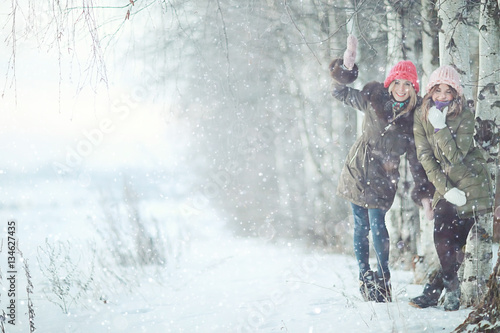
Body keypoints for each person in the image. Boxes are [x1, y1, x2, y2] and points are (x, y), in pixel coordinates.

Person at [329, 46, 434, 303]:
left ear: (413, 88)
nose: (401, 88)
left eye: (407, 84)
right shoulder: (372, 99)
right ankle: (364, 277)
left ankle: (383, 277)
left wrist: (424, 194)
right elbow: (339, 92)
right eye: (397, 82)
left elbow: (416, 160)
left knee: (377, 225)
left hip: (385, 177)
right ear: (390, 84)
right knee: (360, 226)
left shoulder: (414, 119)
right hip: (357, 169)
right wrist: (346, 69)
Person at [409, 65, 494, 311]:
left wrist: (441, 128)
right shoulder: (421, 116)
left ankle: (436, 292)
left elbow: (456, 157)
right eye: (438, 90)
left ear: (456, 93)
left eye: (448, 91)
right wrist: (445, 190)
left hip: (472, 182)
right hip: (446, 182)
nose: (442, 96)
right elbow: (426, 157)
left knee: (455, 244)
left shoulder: (464, 115)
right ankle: (448, 289)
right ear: (430, 91)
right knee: (442, 236)